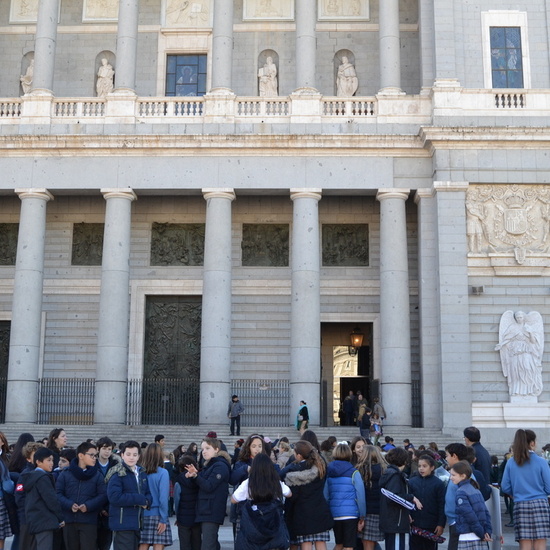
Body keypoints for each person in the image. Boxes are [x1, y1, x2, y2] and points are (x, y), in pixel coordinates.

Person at [501, 429, 550, 550]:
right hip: (540, 503)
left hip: (520, 503)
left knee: (524, 542)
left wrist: (515, 494)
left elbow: (505, 486)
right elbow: (549, 487)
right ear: (532, 443)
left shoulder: (511, 462)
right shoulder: (541, 462)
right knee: (540, 542)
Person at [280, 440, 333, 550]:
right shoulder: (320, 467)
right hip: (319, 509)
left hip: (302, 513)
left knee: (306, 544)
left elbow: (292, 495)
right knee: (321, 542)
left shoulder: (294, 472)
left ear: (299, 455)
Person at [231, 453, 291, 549]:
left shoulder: (248, 482)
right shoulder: (275, 481)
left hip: (252, 521)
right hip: (272, 520)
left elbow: (234, 499)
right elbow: (289, 493)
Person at [56, 441, 107, 550]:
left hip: (89, 521)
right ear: (81, 456)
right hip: (69, 520)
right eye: (92, 455)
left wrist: (88, 506)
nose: (94, 458)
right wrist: (70, 505)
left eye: (96, 456)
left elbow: (102, 495)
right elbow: (57, 494)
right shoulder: (65, 474)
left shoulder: (97, 475)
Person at [184, 437, 231, 550]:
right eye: (202, 449)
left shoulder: (220, 466)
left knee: (208, 545)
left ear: (216, 449)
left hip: (211, 511)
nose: (204, 451)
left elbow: (209, 486)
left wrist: (196, 476)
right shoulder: (208, 465)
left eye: (207, 448)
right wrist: (193, 476)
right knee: (211, 543)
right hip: (205, 510)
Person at [105, 440, 152, 550]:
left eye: (134, 455)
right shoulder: (117, 473)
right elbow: (114, 497)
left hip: (137, 523)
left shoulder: (141, 473)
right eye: (128, 454)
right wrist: (140, 499)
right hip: (122, 524)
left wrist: (147, 502)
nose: (131, 457)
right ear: (122, 455)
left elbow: (148, 493)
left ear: (139, 456)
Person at [323, 443, 366, 550]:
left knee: (339, 544)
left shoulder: (329, 471)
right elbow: (360, 495)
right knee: (349, 546)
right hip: (351, 514)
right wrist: (362, 515)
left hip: (335, 513)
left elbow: (325, 494)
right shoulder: (354, 472)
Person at [379, 447, 422, 550]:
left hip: (392, 519)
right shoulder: (395, 476)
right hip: (395, 522)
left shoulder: (389, 473)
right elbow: (394, 497)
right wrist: (412, 498)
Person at [23, 447, 65, 549]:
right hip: (44, 520)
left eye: (52, 460)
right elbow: (51, 500)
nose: (52, 463)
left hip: (35, 519)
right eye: (48, 460)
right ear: (38, 462)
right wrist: (60, 518)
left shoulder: (32, 476)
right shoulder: (42, 478)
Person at [495, 310, 544, 397]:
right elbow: (508, 339)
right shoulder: (512, 327)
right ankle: (516, 391)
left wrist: (530, 333)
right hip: (515, 352)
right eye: (517, 317)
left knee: (527, 369)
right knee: (516, 371)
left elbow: (533, 341)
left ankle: (529, 390)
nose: (519, 319)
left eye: (520, 317)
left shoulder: (528, 327)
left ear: (523, 318)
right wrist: (501, 345)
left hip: (526, 351)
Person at [449, 461, 492, 550]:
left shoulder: (461, 492)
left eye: (453, 475)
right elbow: (485, 512)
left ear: (463, 476)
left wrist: (480, 533)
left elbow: (469, 515)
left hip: (467, 535)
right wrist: (487, 531)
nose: (450, 478)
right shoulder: (476, 489)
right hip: (479, 535)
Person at [138, 443, 172, 550]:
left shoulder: (139, 472)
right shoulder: (163, 472)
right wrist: (163, 519)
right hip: (157, 513)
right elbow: (163, 498)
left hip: (142, 513)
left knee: (143, 544)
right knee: (158, 544)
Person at [408, 454, 446, 550]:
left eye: (424, 466)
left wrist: (441, 524)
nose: (421, 469)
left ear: (432, 467)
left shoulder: (438, 483)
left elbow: (442, 504)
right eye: (419, 466)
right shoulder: (412, 482)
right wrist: (408, 515)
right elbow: (407, 500)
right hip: (415, 524)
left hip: (431, 525)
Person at [356, 445, 387, 550]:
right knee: (372, 543)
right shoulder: (384, 470)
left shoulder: (360, 470)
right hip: (379, 511)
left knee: (366, 543)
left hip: (366, 512)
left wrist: (361, 517)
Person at [96, 437, 119, 550]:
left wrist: (108, 509)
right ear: (98, 449)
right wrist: (100, 508)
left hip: (109, 511)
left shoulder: (116, 466)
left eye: (109, 449)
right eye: (104, 448)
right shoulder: (92, 465)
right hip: (94, 509)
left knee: (106, 543)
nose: (107, 452)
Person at [174, 455, 200, 550]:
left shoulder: (179, 481)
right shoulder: (198, 480)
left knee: (185, 545)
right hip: (197, 517)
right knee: (197, 544)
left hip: (183, 518)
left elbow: (177, 502)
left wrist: (177, 517)